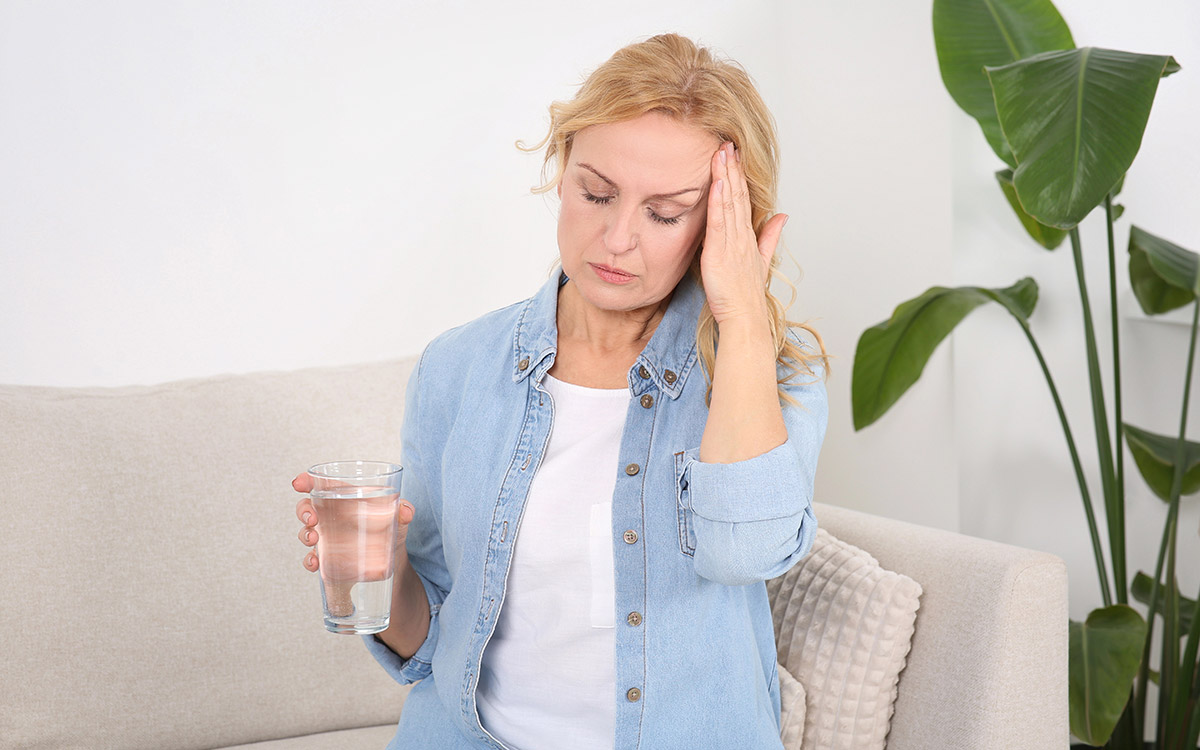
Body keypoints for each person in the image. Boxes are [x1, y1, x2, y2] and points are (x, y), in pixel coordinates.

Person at [292, 32, 829, 750]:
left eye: (665, 214)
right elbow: (428, 643)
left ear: (720, 225)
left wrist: (740, 319)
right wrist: (384, 572)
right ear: (562, 166)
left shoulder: (773, 375)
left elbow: (745, 552)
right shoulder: (457, 368)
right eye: (596, 193)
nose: (616, 239)